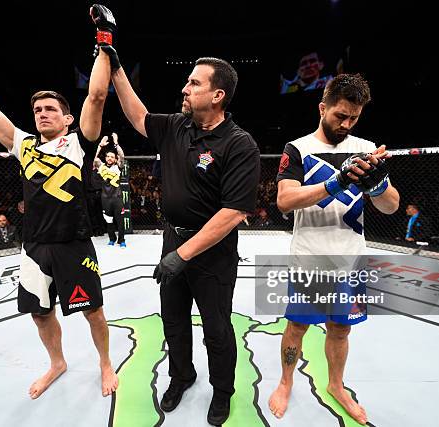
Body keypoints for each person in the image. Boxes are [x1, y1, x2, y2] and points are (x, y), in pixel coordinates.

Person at [0, 6, 119, 400]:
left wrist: (104, 40)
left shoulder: (80, 142)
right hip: (33, 246)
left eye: (50, 110)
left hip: (73, 244)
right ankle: (57, 363)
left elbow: (96, 95)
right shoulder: (24, 143)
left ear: (67, 119)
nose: (41, 114)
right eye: (37, 110)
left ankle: (105, 362)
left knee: (93, 311)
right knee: (40, 313)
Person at [103, 26, 260, 422]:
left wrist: (182, 255)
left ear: (217, 95)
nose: (185, 88)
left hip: (213, 253)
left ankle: (222, 390)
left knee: (217, 330)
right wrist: (115, 65)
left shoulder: (239, 144)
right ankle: (181, 376)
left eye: (194, 83)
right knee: (173, 321)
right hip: (173, 239)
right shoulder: (176, 126)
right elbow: (137, 115)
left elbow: (232, 213)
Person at [271, 73, 400, 423]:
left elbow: (392, 206)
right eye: (339, 115)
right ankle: (285, 381)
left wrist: (375, 187)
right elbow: (284, 200)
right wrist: (336, 181)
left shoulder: (366, 148)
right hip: (309, 258)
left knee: (341, 329)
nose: (345, 124)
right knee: (296, 327)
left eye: (353, 118)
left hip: (350, 260)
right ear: (322, 107)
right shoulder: (297, 148)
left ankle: (336, 385)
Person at [93, 132, 126, 247]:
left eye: (112, 157)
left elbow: (122, 156)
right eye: (108, 156)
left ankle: (121, 240)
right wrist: (100, 146)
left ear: (115, 159)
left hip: (116, 198)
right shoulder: (100, 166)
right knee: (108, 220)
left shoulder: (118, 166)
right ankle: (112, 238)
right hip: (105, 198)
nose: (110, 158)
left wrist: (116, 143)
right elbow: (94, 158)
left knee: (120, 221)